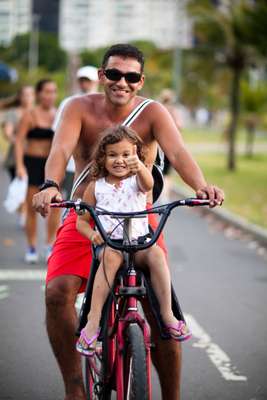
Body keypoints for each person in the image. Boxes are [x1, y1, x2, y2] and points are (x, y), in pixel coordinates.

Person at [33, 44, 224, 400]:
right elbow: (59, 150)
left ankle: (171, 395)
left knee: (159, 310)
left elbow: (179, 152)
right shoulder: (78, 108)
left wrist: (202, 186)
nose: (123, 82)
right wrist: (50, 185)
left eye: (131, 76)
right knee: (57, 293)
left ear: (140, 81)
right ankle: (74, 387)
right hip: (91, 214)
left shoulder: (153, 112)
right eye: (115, 74)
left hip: (138, 219)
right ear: (102, 75)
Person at [76, 126, 191, 356]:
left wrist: (139, 167)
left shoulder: (137, 181)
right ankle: (93, 320)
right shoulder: (96, 187)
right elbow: (81, 222)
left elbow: (148, 185)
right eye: (113, 155)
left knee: (157, 253)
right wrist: (92, 235)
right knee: (109, 257)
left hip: (139, 243)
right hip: (110, 244)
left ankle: (167, 314)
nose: (120, 160)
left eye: (126, 154)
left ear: (137, 155)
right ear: (103, 157)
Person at [15, 79, 60, 263]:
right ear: (39, 93)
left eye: (53, 91)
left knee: (55, 206)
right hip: (32, 163)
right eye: (46, 91)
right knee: (32, 206)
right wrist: (19, 165)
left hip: (52, 164)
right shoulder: (30, 114)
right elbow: (19, 140)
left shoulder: (59, 114)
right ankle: (32, 246)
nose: (50, 95)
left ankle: (50, 243)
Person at [54, 65, 99, 199]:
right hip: (72, 166)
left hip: (98, 165)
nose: (84, 84)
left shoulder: (104, 103)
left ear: (97, 81)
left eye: (88, 80)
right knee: (73, 201)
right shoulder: (68, 102)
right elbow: (58, 135)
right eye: (82, 80)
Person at [1, 86, 35, 226]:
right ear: (20, 97)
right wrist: (19, 142)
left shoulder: (37, 112)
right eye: (25, 95)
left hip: (33, 156)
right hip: (15, 157)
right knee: (21, 186)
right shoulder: (12, 113)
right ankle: (23, 212)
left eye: (30, 95)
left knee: (30, 187)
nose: (27, 98)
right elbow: (8, 133)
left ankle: (25, 211)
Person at [156, 89, 183, 203]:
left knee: (157, 171)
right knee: (167, 174)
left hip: (158, 147)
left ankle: (157, 194)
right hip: (169, 147)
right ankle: (164, 196)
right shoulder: (173, 111)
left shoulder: (158, 109)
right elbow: (180, 125)